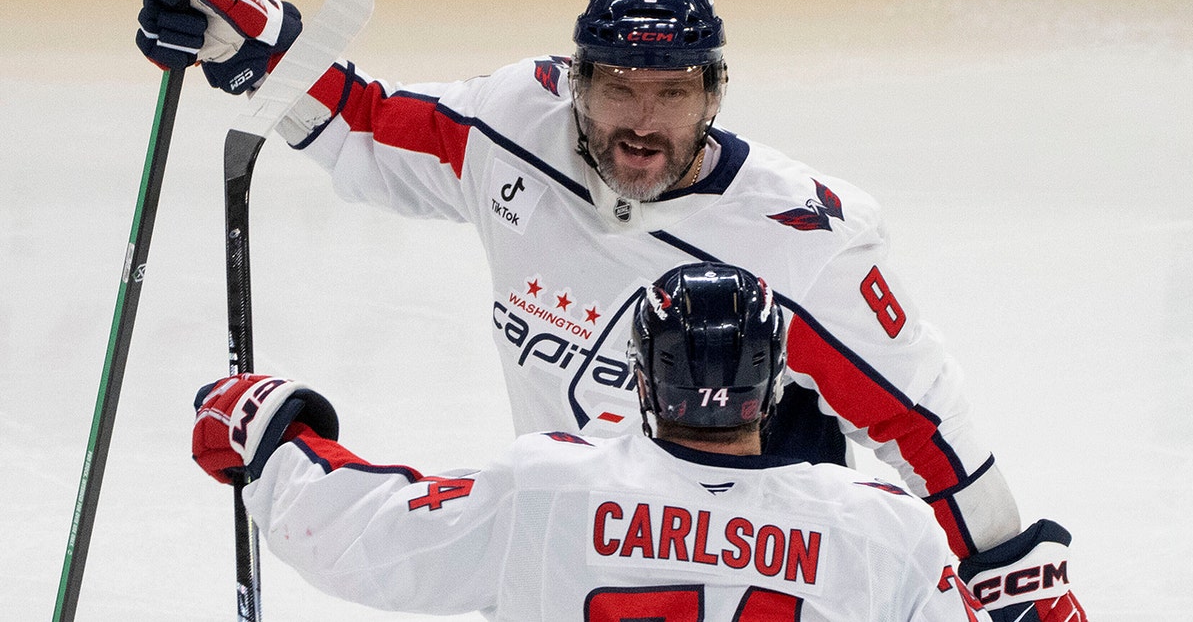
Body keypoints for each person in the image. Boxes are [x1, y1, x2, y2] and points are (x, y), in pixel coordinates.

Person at [142, 0, 1086, 620]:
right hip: (596, 546)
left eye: (672, 93)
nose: (643, 121)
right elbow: (373, 123)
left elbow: (926, 424)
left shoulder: (799, 240)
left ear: (713, 93)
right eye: (619, 89)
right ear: (574, 82)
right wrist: (255, 45)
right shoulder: (517, 122)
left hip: (708, 543)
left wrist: (1005, 561)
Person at [192, 262, 994, 620]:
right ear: (776, 382)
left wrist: (270, 439)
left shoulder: (550, 486)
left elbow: (367, 538)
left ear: (643, 378)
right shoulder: (882, 525)